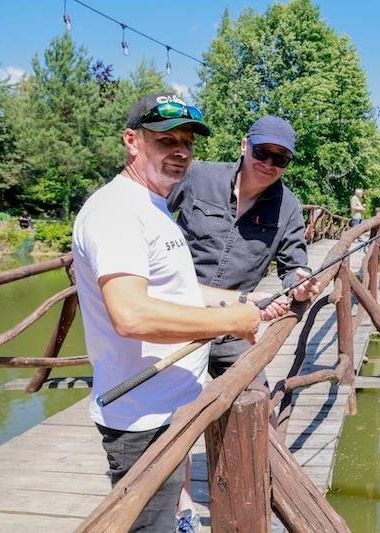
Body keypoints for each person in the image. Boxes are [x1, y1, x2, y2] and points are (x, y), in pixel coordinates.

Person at [72, 93, 276, 533]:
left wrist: (243, 303)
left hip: (170, 410)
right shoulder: (116, 212)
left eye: (187, 141)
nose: (180, 151)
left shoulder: (152, 205)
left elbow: (179, 291)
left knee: (173, 518)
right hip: (139, 420)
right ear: (133, 141)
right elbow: (131, 315)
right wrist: (229, 323)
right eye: (166, 141)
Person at [168, 115, 320, 381]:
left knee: (258, 410)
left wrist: (300, 283)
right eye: (262, 152)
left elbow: (293, 267)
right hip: (176, 322)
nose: (269, 164)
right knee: (172, 416)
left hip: (233, 332)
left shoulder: (289, 207)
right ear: (244, 145)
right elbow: (148, 212)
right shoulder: (197, 175)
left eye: (280, 159)